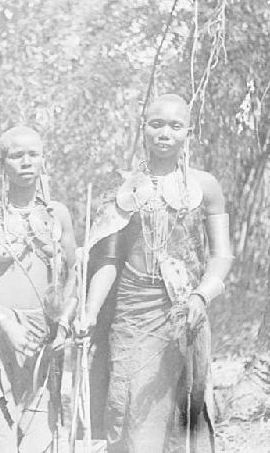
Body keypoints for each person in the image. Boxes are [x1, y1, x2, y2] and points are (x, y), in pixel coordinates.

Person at [82, 94, 234, 452]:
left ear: (188, 133)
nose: (165, 133)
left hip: (186, 314)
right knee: (132, 407)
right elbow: (107, 260)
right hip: (132, 316)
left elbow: (222, 255)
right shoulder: (122, 186)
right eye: (157, 124)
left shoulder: (206, 186)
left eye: (175, 126)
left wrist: (202, 295)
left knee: (184, 415)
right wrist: (89, 311)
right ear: (143, 127)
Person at [0, 125, 77, 453]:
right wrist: (2, 324)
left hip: (43, 343)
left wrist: (64, 321)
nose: (25, 162)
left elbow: (75, 274)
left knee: (40, 439)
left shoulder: (57, 215)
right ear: (2, 164)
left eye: (33, 155)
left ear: (43, 161)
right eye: (16, 155)